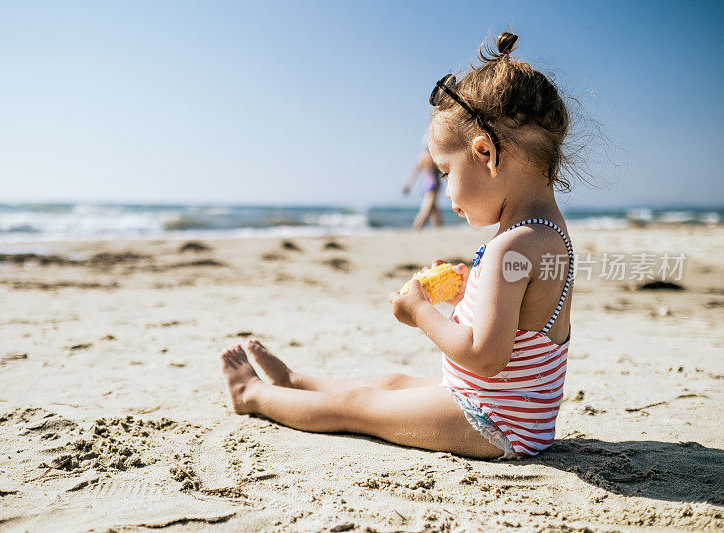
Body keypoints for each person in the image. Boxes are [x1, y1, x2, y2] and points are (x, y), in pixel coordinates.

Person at [219, 31, 575, 460]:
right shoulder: (547, 234)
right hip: (522, 418)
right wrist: (469, 292)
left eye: (446, 173)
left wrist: (421, 313)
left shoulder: (509, 248)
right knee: (390, 383)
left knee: (358, 407)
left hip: (493, 422)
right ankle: (293, 382)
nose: (448, 194)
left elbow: (485, 358)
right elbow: (524, 320)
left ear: (487, 154)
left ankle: (252, 394)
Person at [402, 148, 443, 230]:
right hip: (433, 183)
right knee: (426, 208)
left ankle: (439, 227)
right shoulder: (433, 156)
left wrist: (408, 185)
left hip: (424, 183)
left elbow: (415, 172)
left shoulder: (421, 157)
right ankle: (417, 227)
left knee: (433, 207)